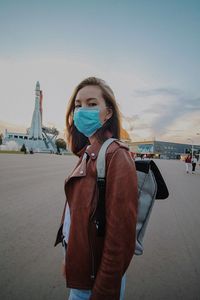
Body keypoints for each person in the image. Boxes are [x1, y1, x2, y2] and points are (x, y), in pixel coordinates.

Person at [54, 77, 138, 300]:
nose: (82, 110)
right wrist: (69, 258)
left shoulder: (116, 156)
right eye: (78, 105)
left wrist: (104, 291)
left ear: (108, 112)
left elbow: (120, 240)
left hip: (96, 286)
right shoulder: (89, 153)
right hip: (82, 275)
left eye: (92, 104)